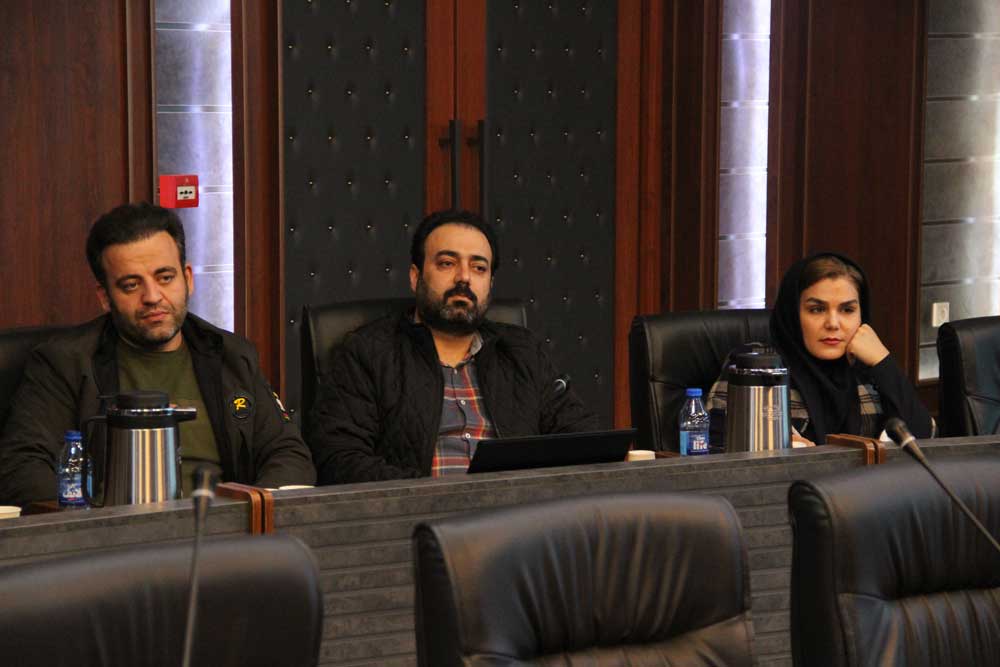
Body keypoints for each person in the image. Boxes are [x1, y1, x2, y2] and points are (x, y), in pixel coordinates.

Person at [0, 203, 315, 506]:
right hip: (114, 535)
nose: (152, 296)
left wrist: (247, 515)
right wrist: (96, 525)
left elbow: (288, 454)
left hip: (222, 531)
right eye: (131, 285)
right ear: (105, 297)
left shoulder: (231, 355)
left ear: (187, 278)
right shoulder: (64, 362)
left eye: (165, 278)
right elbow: (22, 467)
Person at [307, 209, 598, 483]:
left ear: (490, 284)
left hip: (516, 513)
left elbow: (583, 440)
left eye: (479, 268)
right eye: (447, 263)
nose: (464, 277)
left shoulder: (524, 352)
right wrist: (432, 496)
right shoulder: (368, 353)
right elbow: (338, 458)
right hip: (419, 515)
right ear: (415, 277)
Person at [706, 253, 933, 447]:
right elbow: (715, 440)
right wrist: (780, 446)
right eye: (817, 309)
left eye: (847, 310)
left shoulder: (868, 370)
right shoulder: (757, 364)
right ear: (793, 314)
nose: (833, 323)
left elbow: (924, 438)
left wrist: (884, 363)